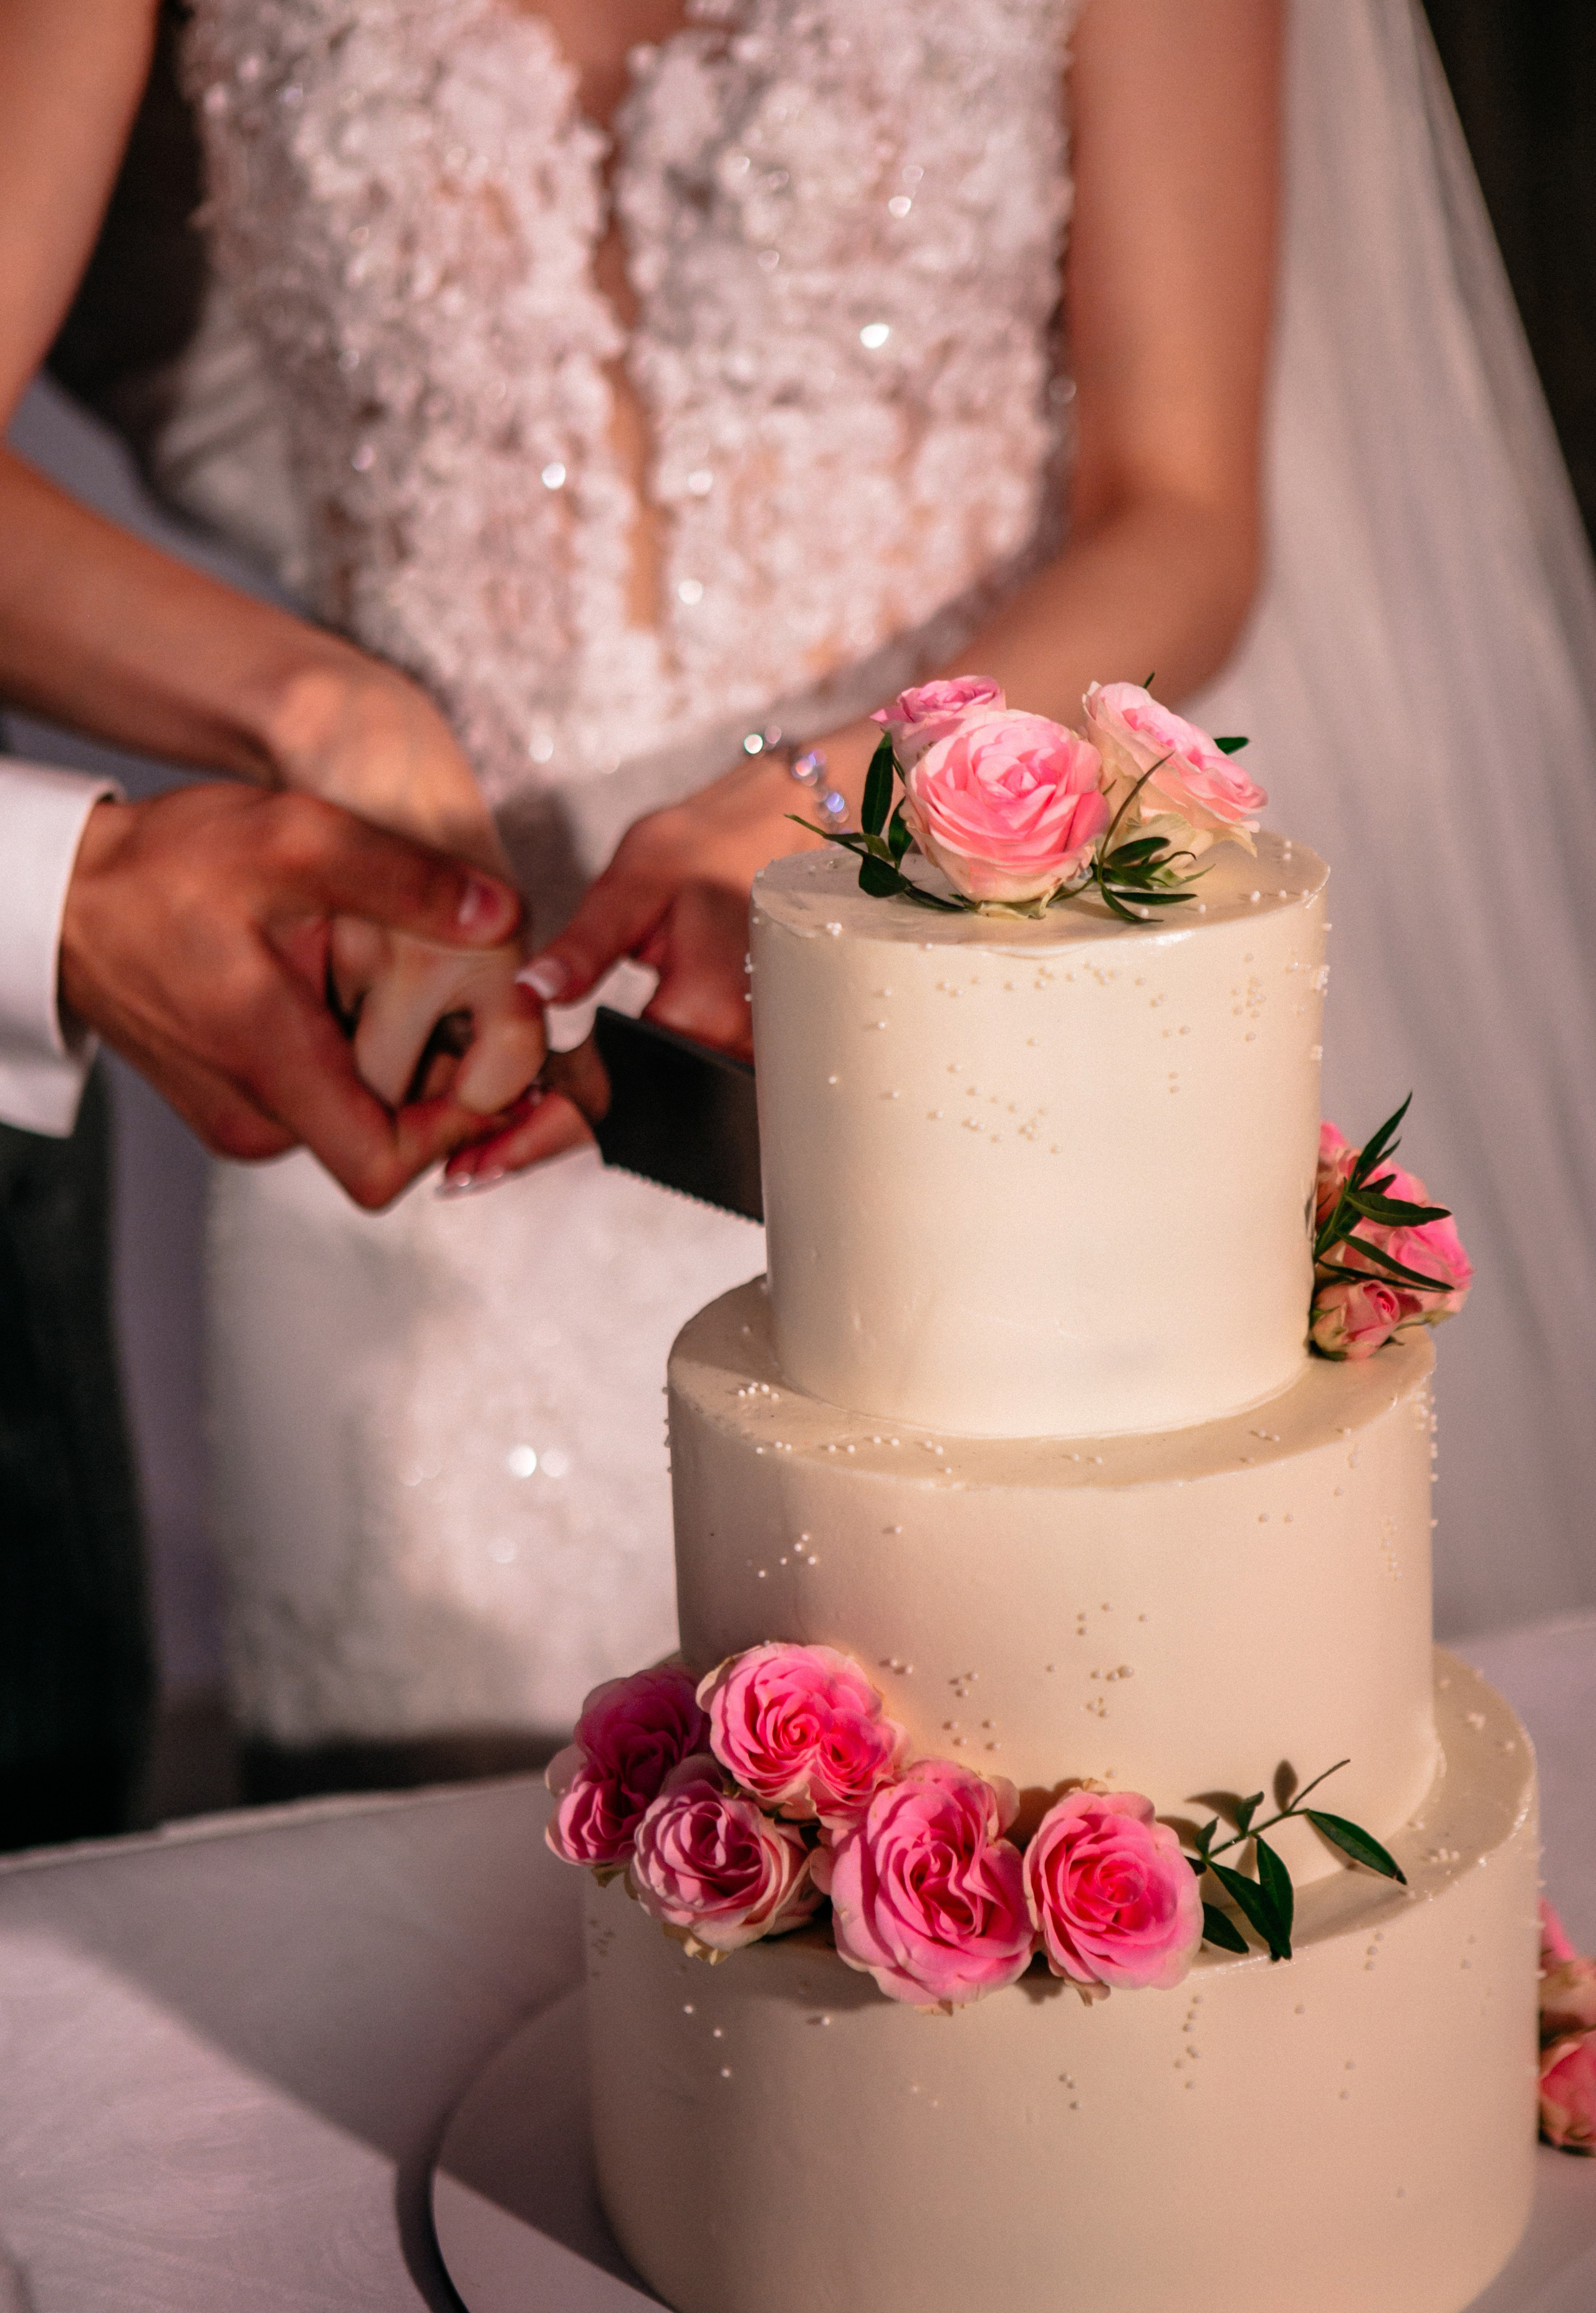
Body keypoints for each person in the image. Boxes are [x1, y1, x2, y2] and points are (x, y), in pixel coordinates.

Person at [6, 0, 1594, 1792]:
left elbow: (1182, 508)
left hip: (938, 1036)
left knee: (1015, 1896)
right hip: (422, 1038)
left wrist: (849, 799)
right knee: (413, 1944)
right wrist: (308, 701)